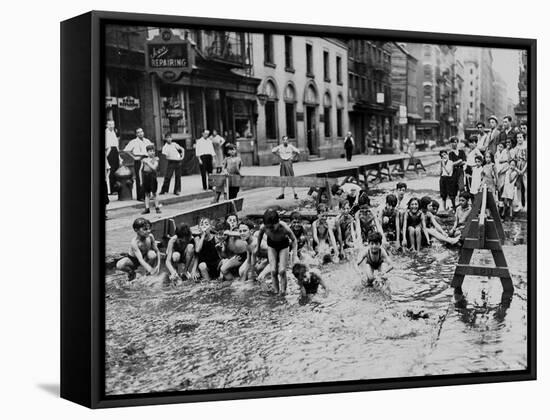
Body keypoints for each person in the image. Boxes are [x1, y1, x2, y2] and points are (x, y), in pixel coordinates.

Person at [255, 208, 298, 295]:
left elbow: (294, 240)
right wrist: (258, 248)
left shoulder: (284, 228)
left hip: (283, 246)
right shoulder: (264, 227)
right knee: (273, 270)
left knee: (282, 270)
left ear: (278, 221)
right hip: (272, 246)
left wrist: (295, 255)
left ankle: (283, 292)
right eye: (268, 227)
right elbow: (259, 236)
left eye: (272, 227)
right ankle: (276, 291)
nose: (270, 229)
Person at [124, 127, 153, 201]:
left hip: (147, 159)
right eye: (138, 132)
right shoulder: (133, 141)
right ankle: (140, 196)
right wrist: (134, 157)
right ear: (136, 134)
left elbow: (151, 149)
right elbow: (126, 150)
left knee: (148, 177)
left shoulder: (147, 141)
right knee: (140, 178)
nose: (140, 133)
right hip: (139, 159)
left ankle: (148, 195)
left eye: (141, 131)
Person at [272, 136, 300, 200]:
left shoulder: (290, 146)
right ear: (282, 141)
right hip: (283, 163)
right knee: (283, 178)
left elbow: (298, 151)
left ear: (288, 141)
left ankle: (295, 194)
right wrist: (279, 155)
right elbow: (273, 151)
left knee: (291, 178)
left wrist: (293, 157)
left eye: (286, 140)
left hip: (289, 163)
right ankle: (282, 194)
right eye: (284, 140)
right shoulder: (280, 147)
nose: (285, 141)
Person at [141, 145, 161, 214]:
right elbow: (141, 170)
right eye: (150, 151)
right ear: (147, 152)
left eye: (153, 151)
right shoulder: (144, 159)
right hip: (146, 176)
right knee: (146, 193)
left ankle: (157, 207)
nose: (152, 152)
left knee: (154, 193)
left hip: (152, 176)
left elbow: (154, 167)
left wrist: (148, 162)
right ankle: (147, 208)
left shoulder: (156, 159)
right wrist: (141, 180)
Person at [105, 119, 120, 193]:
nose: (111, 126)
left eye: (112, 124)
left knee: (116, 169)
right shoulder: (106, 132)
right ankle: (111, 189)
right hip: (109, 151)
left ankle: (116, 188)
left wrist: (119, 155)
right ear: (107, 125)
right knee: (111, 170)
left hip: (115, 151)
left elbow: (116, 144)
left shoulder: (114, 132)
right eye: (109, 124)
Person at [515, 132, 528, 209]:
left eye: (520, 137)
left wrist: (523, 170)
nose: (519, 139)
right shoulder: (516, 148)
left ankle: (526, 204)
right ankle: (519, 203)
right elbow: (514, 160)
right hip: (517, 168)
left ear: (523, 138)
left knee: (526, 186)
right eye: (517, 137)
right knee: (518, 186)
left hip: (525, 168)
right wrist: (517, 170)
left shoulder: (526, 147)